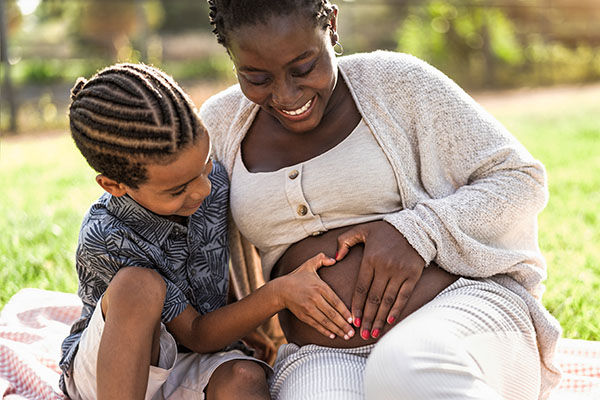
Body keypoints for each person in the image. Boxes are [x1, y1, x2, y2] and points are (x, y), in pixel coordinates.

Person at [200, 1, 563, 399]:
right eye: (257, 77)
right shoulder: (220, 124)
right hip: (321, 353)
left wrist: (416, 232)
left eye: (303, 68)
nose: (286, 94)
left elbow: (519, 178)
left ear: (331, 27)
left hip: (460, 313)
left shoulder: (396, 81)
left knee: (402, 369)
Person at [58, 63, 357, 400]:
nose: (201, 190)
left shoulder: (211, 185)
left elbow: (206, 264)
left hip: (187, 363)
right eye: (177, 190)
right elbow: (197, 333)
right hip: (108, 377)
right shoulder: (106, 234)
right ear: (114, 185)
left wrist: (244, 324)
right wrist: (279, 293)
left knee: (245, 376)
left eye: (204, 167)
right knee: (138, 286)